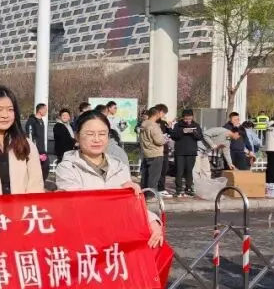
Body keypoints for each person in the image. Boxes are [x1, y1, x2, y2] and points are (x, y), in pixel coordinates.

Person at [55, 111, 163, 248]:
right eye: (89, 134)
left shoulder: (119, 166)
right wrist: (118, 196)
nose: (96, 139)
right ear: (77, 136)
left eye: (102, 134)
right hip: (84, 244)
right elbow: (78, 207)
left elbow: (132, 208)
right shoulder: (67, 167)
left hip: (117, 242)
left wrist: (152, 222)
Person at [171, 109, 204, 197]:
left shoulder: (196, 125)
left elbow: (200, 137)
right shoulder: (178, 125)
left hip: (191, 152)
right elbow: (173, 136)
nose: (188, 120)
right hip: (180, 152)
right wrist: (182, 131)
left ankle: (188, 188)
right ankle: (178, 189)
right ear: (183, 117)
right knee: (179, 171)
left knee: (189, 171)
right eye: (186, 119)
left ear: (192, 117)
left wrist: (194, 132)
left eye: (189, 118)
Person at [138, 107, 168, 196]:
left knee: (145, 177)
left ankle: (143, 195)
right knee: (153, 178)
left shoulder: (143, 124)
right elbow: (159, 141)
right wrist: (165, 139)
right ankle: (150, 196)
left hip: (146, 153)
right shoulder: (154, 126)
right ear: (157, 114)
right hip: (155, 154)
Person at [26, 103, 50, 179]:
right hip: (35, 151)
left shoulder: (41, 121)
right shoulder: (31, 121)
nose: (46, 111)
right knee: (35, 171)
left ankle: (42, 183)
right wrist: (34, 152)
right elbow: (30, 137)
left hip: (42, 150)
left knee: (45, 168)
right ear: (40, 110)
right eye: (45, 109)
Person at [265, 113, 274, 192]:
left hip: (269, 148)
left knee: (270, 166)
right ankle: (273, 183)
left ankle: (268, 182)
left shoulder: (269, 125)